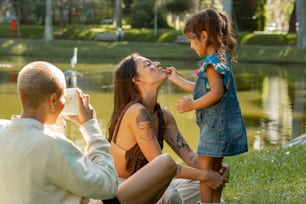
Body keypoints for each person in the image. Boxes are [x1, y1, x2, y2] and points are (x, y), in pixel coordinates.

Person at [0, 61, 177, 204]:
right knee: (166, 163)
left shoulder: (4, 130)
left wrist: (52, 124)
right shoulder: (53, 145)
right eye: (64, 97)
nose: (63, 104)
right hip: (96, 194)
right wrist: (89, 126)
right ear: (53, 100)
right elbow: (107, 186)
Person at [108, 53, 229, 204]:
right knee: (170, 195)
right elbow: (163, 168)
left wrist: (214, 167)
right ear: (137, 80)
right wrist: (206, 176)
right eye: (148, 64)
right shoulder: (136, 113)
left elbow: (190, 157)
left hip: (153, 185)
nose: (157, 63)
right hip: (122, 189)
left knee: (201, 187)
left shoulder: (163, 114)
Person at [166, 9, 248, 203]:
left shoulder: (211, 64)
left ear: (204, 36)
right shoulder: (220, 57)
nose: (191, 45)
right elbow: (203, 90)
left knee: (204, 173)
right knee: (216, 171)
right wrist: (175, 78)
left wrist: (192, 105)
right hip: (222, 125)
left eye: (193, 40)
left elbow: (216, 93)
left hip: (215, 127)